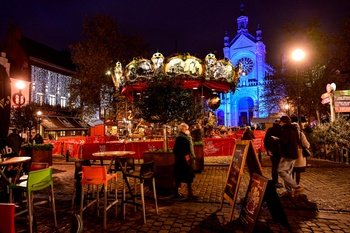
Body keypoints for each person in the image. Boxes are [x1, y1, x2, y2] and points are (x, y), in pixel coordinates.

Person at [277, 116, 304, 197]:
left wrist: (278, 140)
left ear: (283, 122)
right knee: (287, 173)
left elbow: (284, 141)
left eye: (280, 121)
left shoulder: (286, 129)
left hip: (287, 154)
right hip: (293, 154)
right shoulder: (294, 129)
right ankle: (289, 192)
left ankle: (296, 187)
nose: (280, 123)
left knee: (281, 170)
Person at [173, 123, 196, 198]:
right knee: (188, 176)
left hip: (183, 159)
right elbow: (176, 150)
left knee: (180, 176)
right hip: (183, 160)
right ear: (183, 130)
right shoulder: (181, 138)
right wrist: (185, 156)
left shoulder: (185, 137)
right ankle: (189, 193)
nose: (188, 130)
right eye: (187, 129)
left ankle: (178, 193)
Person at [263, 120, 283, 188]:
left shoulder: (270, 130)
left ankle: (274, 180)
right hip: (279, 151)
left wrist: (268, 149)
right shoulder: (281, 130)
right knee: (276, 166)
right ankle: (275, 181)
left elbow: (265, 140)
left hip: (271, 150)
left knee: (274, 165)